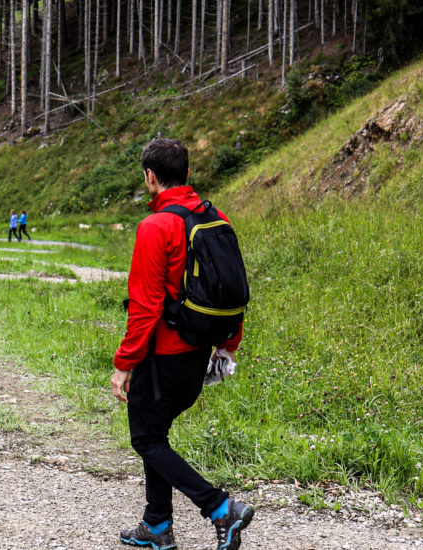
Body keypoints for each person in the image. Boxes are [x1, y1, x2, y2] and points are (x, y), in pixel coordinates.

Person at [112, 138, 254, 549]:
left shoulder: (156, 226)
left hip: (162, 361)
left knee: (146, 439)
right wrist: (228, 347)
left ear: (149, 177)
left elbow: (144, 306)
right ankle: (156, 526)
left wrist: (124, 363)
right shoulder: (215, 218)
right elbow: (233, 290)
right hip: (198, 354)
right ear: (187, 174)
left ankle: (221, 509)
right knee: (155, 436)